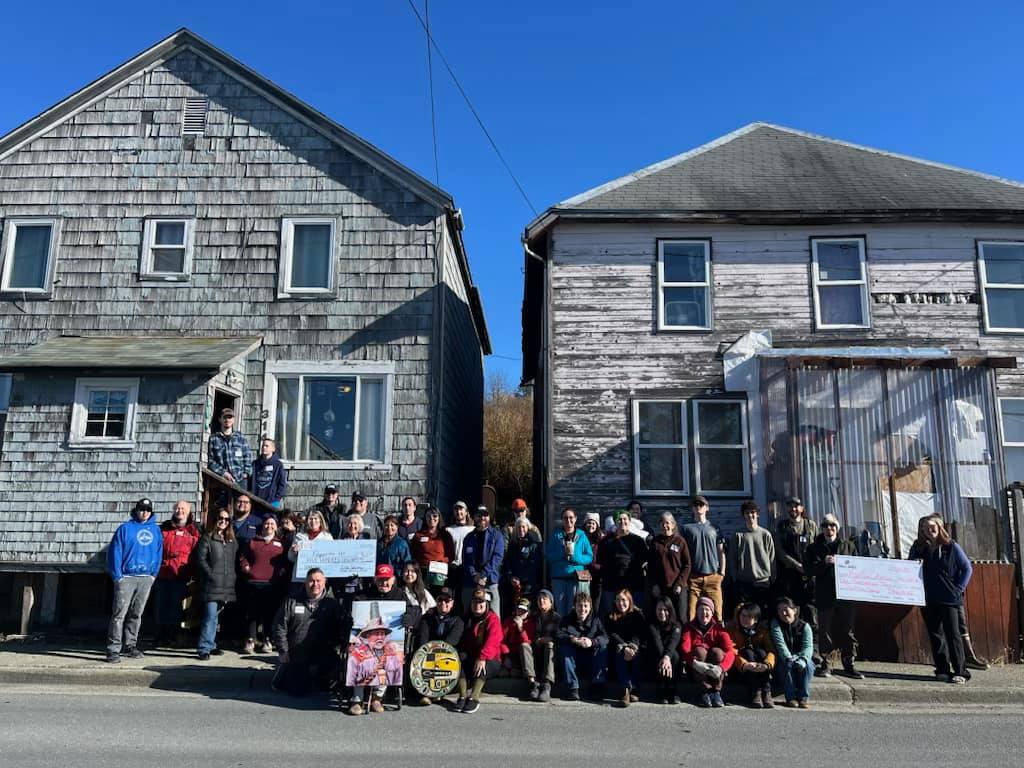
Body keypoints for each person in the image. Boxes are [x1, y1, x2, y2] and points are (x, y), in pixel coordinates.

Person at [908, 514, 973, 684]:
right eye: (925, 528)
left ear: (939, 527)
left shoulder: (951, 546)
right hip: (928, 597)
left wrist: (959, 588)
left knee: (953, 634)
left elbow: (967, 568)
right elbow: (908, 567)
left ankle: (960, 671)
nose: (928, 530)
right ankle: (942, 670)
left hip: (949, 598)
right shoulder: (918, 547)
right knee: (936, 635)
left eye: (932, 527)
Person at [105, 498, 163, 663]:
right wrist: (118, 576)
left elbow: (159, 552)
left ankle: (130, 645)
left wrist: (153, 574)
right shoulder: (125, 529)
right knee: (119, 614)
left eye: (147, 510)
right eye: (141, 509)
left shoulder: (155, 531)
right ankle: (113, 649)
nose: (144, 512)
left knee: (136, 613)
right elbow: (115, 552)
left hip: (146, 578)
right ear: (136, 510)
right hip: (126, 577)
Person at [804, 513, 862, 678]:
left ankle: (849, 663)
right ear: (821, 528)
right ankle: (826, 663)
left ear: (837, 527)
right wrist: (824, 563)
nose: (829, 528)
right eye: (825, 525)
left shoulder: (848, 546)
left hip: (846, 594)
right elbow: (808, 569)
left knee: (848, 631)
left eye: (832, 525)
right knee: (825, 630)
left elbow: (858, 567)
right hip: (825, 594)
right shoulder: (813, 548)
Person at [272, 568, 343, 696]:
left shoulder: (332, 603)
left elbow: (339, 627)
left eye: (318, 581)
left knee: (328, 685)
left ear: (325, 582)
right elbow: (279, 626)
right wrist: (283, 650)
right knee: (298, 691)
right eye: (311, 581)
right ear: (305, 582)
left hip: (323, 650)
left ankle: (319, 679)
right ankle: (286, 675)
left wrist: (340, 645)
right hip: (297, 651)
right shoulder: (292, 601)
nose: (315, 584)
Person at [239, 516, 289, 654]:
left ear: (276, 527)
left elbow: (286, 561)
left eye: (272, 523)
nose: (269, 526)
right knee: (252, 613)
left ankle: (267, 639)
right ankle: (251, 639)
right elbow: (243, 557)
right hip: (253, 582)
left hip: (272, 584)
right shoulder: (253, 541)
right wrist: (246, 567)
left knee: (269, 613)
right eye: (267, 523)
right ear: (262, 526)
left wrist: (281, 572)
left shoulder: (281, 544)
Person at [153, 500, 200, 648]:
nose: (180, 511)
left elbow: (197, 553)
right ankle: (160, 636)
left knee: (177, 608)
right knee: (161, 606)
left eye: (183, 509)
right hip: (164, 572)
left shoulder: (194, 531)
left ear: (189, 512)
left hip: (182, 575)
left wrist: (194, 572)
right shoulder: (164, 528)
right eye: (178, 508)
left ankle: (174, 636)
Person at [195, 508, 239, 661]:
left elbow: (234, 562)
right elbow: (201, 559)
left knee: (216, 617)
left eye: (227, 519)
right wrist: (211, 575)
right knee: (209, 616)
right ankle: (204, 648)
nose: (223, 521)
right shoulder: (207, 538)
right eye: (221, 518)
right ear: (215, 519)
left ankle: (211, 644)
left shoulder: (232, 540)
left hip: (226, 585)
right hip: (212, 584)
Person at [413, 587, 465, 706]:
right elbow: (423, 638)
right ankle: (426, 693)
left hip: (447, 652)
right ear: (436, 601)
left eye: (447, 601)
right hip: (429, 651)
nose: (443, 603)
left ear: (452, 603)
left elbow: (452, 641)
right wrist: (427, 652)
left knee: (444, 660)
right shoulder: (427, 618)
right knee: (422, 658)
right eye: (440, 600)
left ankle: (436, 693)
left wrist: (437, 652)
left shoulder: (458, 620)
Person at [680, 595, 735, 708]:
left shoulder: (719, 628)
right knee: (700, 651)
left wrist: (721, 668)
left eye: (707, 610)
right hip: (696, 668)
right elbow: (685, 649)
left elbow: (730, 651)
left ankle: (715, 691)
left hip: (715, 670)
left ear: (712, 612)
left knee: (717, 652)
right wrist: (694, 663)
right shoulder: (688, 627)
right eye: (701, 609)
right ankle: (704, 691)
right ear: (696, 611)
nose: (704, 613)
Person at [774, 497, 819, 630]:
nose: (793, 509)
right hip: (789, 575)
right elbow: (780, 551)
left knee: (810, 609)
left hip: (809, 575)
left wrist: (811, 567)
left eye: (796, 506)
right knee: (791, 608)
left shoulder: (811, 525)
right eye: (790, 506)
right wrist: (796, 565)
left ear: (802, 508)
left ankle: (812, 638)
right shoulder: (782, 527)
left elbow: (817, 547)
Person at [456, 589, 502, 714]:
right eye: (475, 602)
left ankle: (474, 697)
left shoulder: (493, 619)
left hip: (490, 658)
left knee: (482, 667)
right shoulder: (465, 619)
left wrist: (482, 657)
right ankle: (462, 695)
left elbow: (493, 641)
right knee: (458, 660)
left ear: (487, 604)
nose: (477, 605)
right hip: (471, 656)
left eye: (481, 602)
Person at [556, 591, 608, 701]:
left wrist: (592, 642)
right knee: (565, 648)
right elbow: (559, 635)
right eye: (579, 605)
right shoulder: (566, 620)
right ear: (574, 606)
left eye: (585, 606)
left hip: (591, 661)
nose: (582, 609)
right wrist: (572, 639)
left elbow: (605, 638)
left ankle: (597, 686)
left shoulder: (596, 620)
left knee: (602, 647)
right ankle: (573, 688)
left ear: (590, 607)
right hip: (573, 662)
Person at [680, 495, 726, 621]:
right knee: (691, 614)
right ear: (692, 508)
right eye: (695, 505)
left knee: (718, 614)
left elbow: (721, 551)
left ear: (707, 508)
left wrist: (722, 573)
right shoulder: (686, 528)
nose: (698, 507)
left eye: (701, 504)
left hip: (713, 577)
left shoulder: (715, 527)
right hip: (694, 578)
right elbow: (682, 553)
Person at [727, 501, 776, 615]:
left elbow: (772, 558)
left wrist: (773, 578)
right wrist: (734, 578)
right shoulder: (737, 535)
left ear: (757, 514)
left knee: (763, 614)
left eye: (753, 512)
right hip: (744, 582)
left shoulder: (765, 534)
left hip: (763, 582)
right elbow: (732, 559)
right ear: (743, 515)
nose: (750, 515)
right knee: (745, 614)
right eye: (747, 513)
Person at [545, 507, 594, 617]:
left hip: (576, 578)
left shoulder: (581, 535)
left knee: (574, 609)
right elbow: (548, 555)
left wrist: (575, 557)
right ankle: (562, 628)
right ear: (562, 520)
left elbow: (589, 557)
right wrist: (563, 553)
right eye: (565, 518)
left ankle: (572, 628)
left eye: (571, 517)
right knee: (560, 610)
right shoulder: (556, 535)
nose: (568, 520)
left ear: (575, 518)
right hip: (558, 578)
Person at [596, 510, 647, 616]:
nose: (622, 521)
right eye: (619, 519)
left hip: (634, 585)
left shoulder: (638, 541)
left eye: (625, 519)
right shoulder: (606, 541)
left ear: (629, 521)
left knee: (635, 614)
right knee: (611, 615)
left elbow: (645, 560)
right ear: (615, 522)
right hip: (611, 585)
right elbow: (600, 560)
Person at [727, 602, 776, 708]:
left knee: (762, 652)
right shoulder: (734, 630)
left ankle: (766, 691)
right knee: (748, 652)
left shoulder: (762, 631)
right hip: (741, 668)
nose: (744, 619)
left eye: (749, 617)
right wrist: (745, 664)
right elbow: (732, 651)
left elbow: (771, 650)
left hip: (760, 665)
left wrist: (767, 665)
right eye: (743, 615)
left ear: (756, 619)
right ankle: (756, 691)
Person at [604, 589, 646, 707]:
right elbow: (612, 634)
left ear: (629, 601)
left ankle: (635, 688)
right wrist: (624, 646)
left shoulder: (637, 615)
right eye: (618, 600)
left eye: (623, 600)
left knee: (636, 654)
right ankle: (625, 689)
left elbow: (639, 633)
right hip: (617, 648)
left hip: (633, 647)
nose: (620, 603)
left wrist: (632, 646)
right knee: (620, 653)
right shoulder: (610, 616)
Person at [647, 512, 691, 624]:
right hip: (660, 588)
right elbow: (650, 567)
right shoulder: (655, 542)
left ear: (673, 524)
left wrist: (680, 584)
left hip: (677, 587)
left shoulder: (680, 541)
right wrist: (654, 585)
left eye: (667, 523)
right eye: (662, 523)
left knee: (681, 617)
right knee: (662, 617)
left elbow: (687, 565)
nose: (665, 526)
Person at [770, 597, 815, 708]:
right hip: (784, 658)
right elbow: (780, 644)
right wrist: (788, 658)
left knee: (809, 665)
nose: (783, 613)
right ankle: (790, 698)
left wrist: (803, 659)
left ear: (794, 610)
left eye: (786, 609)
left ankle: (803, 698)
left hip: (799, 657)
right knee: (786, 664)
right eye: (780, 610)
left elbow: (808, 647)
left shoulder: (805, 626)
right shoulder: (775, 624)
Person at [461, 505, 505, 616]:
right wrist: (474, 575)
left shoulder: (497, 536)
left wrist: (483, 575)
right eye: (479, 515)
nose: (482, 518)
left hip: (490, 581)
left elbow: (497, 558)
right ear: (474, 517)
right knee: (468, 614)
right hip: (471, 581)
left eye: (485, 515)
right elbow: (466, 560)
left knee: (494, 615)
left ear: (489, 517)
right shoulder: (469, 537)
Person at [410, 505, 455, 593]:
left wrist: (440, 562)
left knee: (438, 596)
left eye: (434, 516)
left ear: (439, 517)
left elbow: (451, 555)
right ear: (425, 518)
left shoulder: (445, 535)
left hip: (440, 572)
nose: (431, 518)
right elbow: (413, 554)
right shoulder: (418, 535)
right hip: (423, 572)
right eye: (428, 516)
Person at [525, 589, 560, 702]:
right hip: (536, 648)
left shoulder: (557, 618)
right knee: (524, 646)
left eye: (545, 599)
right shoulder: (534, 617)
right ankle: (533, 684)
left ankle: (546, 685)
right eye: (539, 599)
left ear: (551, 602)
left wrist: (549, 639)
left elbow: (561, 636)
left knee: (550, 644)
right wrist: (537, 640)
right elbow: (529, 634)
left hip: (551, 652)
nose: (541, 601)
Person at [502, 517, 543, 609]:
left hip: (528, 587)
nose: (521, 529)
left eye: (523, 527)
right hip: (513, 586)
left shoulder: (533, 545)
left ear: (528, 528)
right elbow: (507, 564)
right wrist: (511, 577)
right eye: (519, 527)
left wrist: (522, 580)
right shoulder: (512, 545)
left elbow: (534, 566)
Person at [648, 596, 682, 704]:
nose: (662, 613)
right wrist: (665, 658)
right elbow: (656, 641)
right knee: (657, 654)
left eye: (665, 610)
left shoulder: (677, 624)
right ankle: (661, 687)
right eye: (659, 609)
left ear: (670, 610)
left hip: (670, 658)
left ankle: (672, 687)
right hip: (656, 657)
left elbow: (674, 641)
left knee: (675, 656)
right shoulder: (652, 624)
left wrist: (667, 657)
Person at [208, 407, 253, 488]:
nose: (227, 420)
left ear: (233, 420)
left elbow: (248, 457)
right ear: (220, 419)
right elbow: (211, 461)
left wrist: (246, 473)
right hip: (222, 480)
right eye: (225, 417)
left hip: (240, 480)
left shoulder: (240, 437)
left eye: (230, 417)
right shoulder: (214, 438)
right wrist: (223, 473)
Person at [500, 598, 536, 689]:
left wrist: (520, 628)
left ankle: (527, 677)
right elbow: (502, 640)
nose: (520, 613)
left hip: (521, 656)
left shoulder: (530, 623)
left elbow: (527, 642)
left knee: (514, 673)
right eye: (519, 610)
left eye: (523, 611)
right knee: (503, 673)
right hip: (509, 654)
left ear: (528, 612)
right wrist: (506, 656)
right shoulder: (508, 621)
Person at [447, 501, 475, 607]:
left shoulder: (473, 530)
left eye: (461, 509)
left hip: (468, 569)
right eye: (456, 510)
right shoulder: (448, 530)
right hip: (453, 568)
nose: (459, 512)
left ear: (466, 512)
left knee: (467, 599)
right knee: (453, 598)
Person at [250, 437, 287, 509]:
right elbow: (250, 481)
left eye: (267, 446)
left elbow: (282, 484)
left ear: (273, 449)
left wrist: (277, 499)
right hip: (256, 501)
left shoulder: (278, 465)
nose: (264, 447)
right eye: (263, 446)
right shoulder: (255, 464)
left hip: (271, 501)